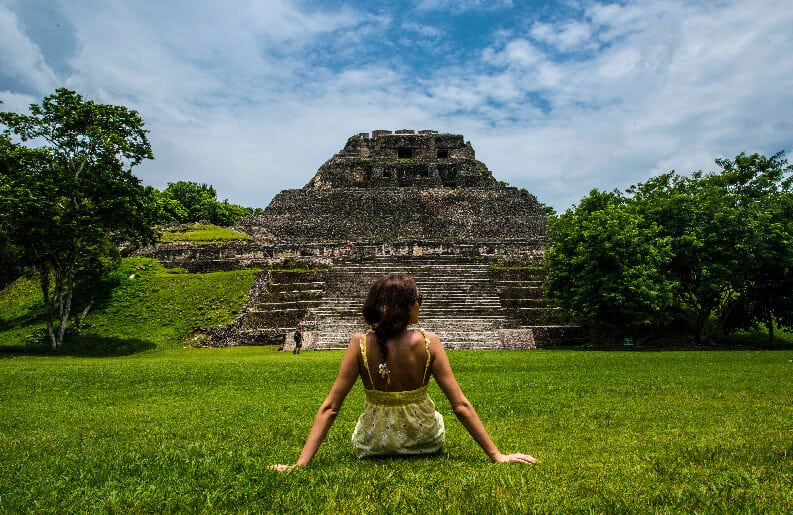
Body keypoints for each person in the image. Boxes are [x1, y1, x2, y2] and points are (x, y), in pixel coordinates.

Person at [270, 273, 538, 470]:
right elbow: (460, 406)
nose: (420, 304)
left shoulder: (360, 344)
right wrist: (496, 454)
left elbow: (331, 407)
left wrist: (300, 464)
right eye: (418, 300)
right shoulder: (429, 342)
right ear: (408, 306)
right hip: (425, 441)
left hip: (373, 444)